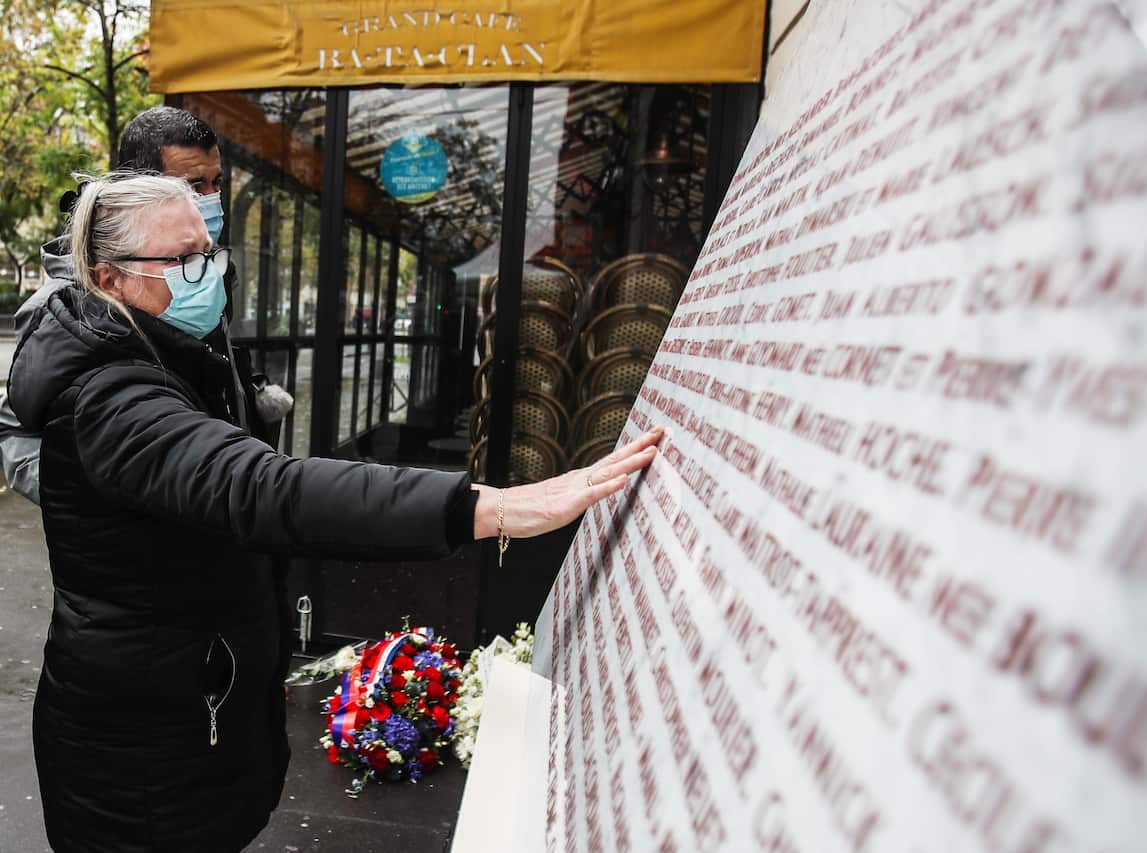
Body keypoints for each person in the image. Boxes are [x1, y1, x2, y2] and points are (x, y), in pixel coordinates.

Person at [6, 172, 661, 852]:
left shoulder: (167, 353)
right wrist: (484, 507)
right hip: (141, 762)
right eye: (185, 260)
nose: (210, 274)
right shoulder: (110, 399)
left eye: (212, 251)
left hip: (188, 723)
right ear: (110, 279)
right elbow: (263, 489)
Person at [0, 105, 245, 503]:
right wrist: (100, 494)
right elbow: (16, 428)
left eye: (216, 183)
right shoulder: (62, 302)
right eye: (191, 186)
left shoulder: (207, 272)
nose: (211, 200)